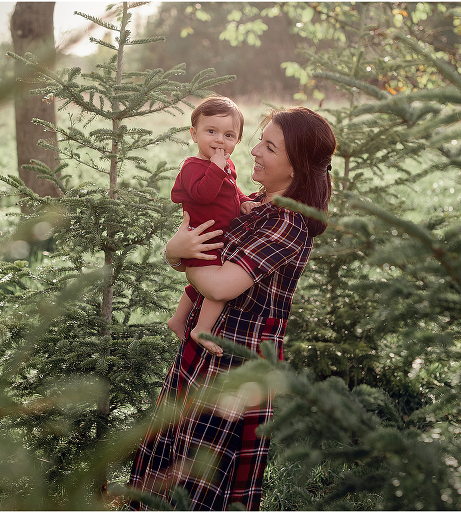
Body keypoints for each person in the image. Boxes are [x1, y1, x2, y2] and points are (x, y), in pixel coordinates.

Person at [128, 106, 336, 510]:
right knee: (172, 453)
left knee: (202, 476)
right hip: (206, 348)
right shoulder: (254, 204)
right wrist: (177, 253)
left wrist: (176, 254)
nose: (254, 150)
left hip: (236, 364)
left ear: (296, 169)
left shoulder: (287, 224)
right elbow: (206, 252)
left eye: (270, 147)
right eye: (260, 139)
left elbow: (220, 283)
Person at [168, 96, 260, 354]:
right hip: (203, 241)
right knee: (217, 289)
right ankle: (201, 330)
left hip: (218, 240)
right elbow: (203, 194)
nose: (220, 140)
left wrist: (243, 201)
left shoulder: (225, 165)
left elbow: (231, 190)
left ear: (238, 141)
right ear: (194, 134)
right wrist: (217, 168)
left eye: (229, 135)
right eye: (211, 131)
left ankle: (178, 319)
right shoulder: (192, 167)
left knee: (200, 285)